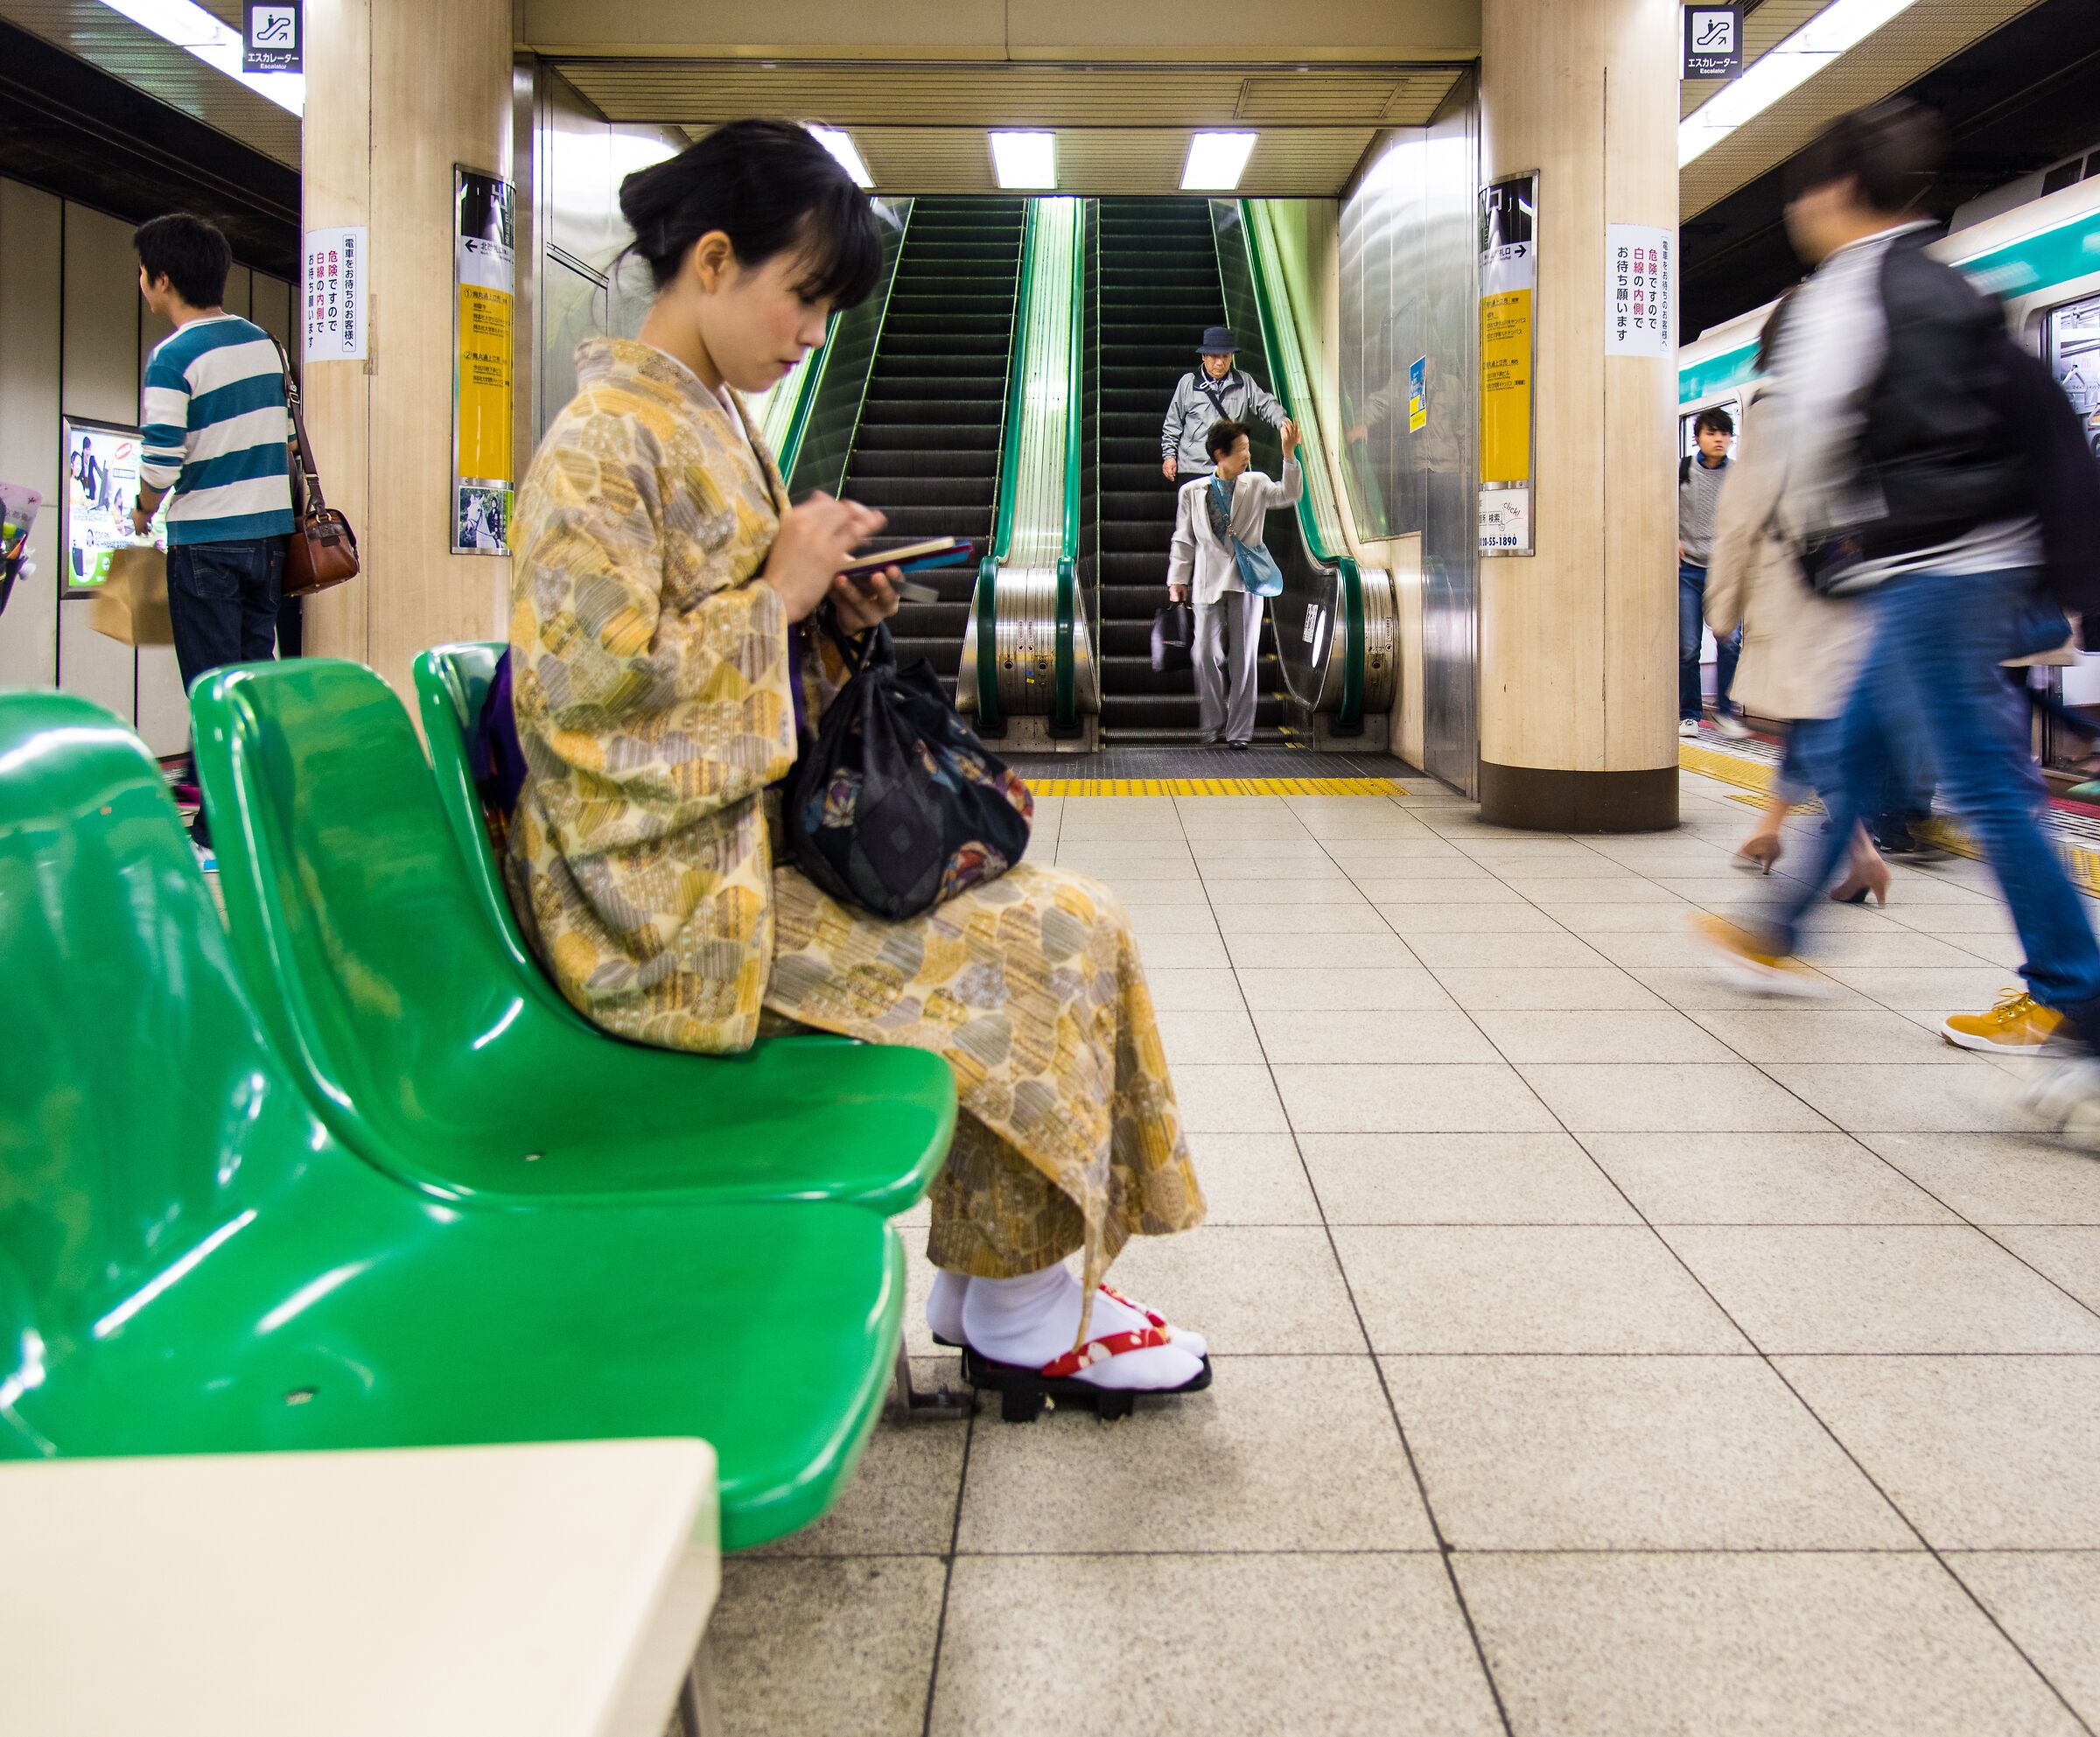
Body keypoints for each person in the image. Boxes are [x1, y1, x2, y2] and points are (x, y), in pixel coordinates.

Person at [503, 120, 1209, 1410]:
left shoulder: (707, 420)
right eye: (803, 297)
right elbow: (585, 710)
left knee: (1072, 919)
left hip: (736, 855)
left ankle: (1013, 1287)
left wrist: (835, 614)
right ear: (713, 259)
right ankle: (1023, 1312)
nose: (812, 334)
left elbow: (730, 673)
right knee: (1037, 949)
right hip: (664, 906)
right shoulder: (603, 444)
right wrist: (777, 598)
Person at [1693, 102, 2100, 1082]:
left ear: (1833, 193)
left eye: (1803, 192)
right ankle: (1779, 926)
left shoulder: (1850, 290)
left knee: (1990, 786)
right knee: (1864, 743)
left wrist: (1822, 552)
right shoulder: (1944, 280)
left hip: (1936, 570)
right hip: (1964, 563)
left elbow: (1818, 450)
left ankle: (2079, 999)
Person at [131, 212, 294, 858]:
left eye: (143, 274)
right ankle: (263, 819)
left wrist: (146, 507)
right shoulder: (263, 344)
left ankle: (216, 833)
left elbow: (162, 456)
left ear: (163, 279)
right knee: (255, 680)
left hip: (206, 544)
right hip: (269, 541)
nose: (142, 285)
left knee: (212, 687)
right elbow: (282, 441)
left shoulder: (173, 356)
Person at [1704, 335, 1887, 901]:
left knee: (1812, 720)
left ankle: (1829, 857)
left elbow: (1742, 510)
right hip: (1856, 584)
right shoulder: (1865, 389)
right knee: (1816, 720)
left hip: (1796, 586)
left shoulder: (1774, 405)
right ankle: (1829, 846)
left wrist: (1723, 605)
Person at [1166, 416, 1301, 749]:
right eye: (1241, 449)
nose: (1247, 455)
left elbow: (1289, 494)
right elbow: (1183, 539)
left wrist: (1289, 456)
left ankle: (1239, 732)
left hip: (1246, 582)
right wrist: (1177, 579)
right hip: (1207, 583)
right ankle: (1213, 723)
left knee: (1244, 659)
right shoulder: (1192, 492)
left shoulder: (1255, 483)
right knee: (1204, 655)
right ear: (1219, 454)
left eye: (1248, 448)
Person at [1679, 407, 1745, 739]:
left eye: (1725, 433)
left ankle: (1726, 711)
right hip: (1688, 570)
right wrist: (1671, 536)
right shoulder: (1683, 470)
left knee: (1730, 641)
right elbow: (1663, 507)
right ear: (1697, 438)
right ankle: (1689, 714)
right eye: (1711, 432)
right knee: (1689, 647)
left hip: (1724, 571)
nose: (1719, 439)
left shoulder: (1739, 474)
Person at [1160, 326, 1286, 484]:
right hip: (1193, 468)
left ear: (1232, 357)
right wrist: (1169, 456)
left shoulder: (1243, 382)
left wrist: (1283, 424)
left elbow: (1265, 404)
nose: (1220, 362)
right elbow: (1173, 423)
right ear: (1204, 356)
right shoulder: (1188, 383)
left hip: (1230, 467)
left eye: (1225, 356)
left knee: (1234, 509)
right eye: (1214, 356)